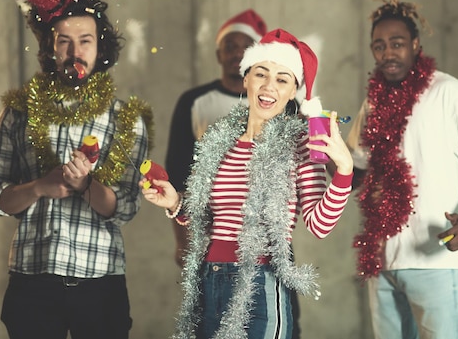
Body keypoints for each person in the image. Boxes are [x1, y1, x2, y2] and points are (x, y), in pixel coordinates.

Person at [143, 28, 354, 339]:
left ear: (293, 90)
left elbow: (319, 225)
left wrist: (345, 168)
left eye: (282, 79)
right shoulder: (219, 138)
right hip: (208, 278)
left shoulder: (301, 143)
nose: (269, 86)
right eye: (261, 74)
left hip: (261, 282)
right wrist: (175, 202)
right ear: (246, 78)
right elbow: (210, 219)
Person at [0, 0, 153, 339]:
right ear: (50, 47)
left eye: (85, 40)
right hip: (32, 281)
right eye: (64, 41)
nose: (75, 51)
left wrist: (84, 185)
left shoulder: (126, 120)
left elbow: (126, 207)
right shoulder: (18, 112)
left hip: (101, 282)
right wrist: (41, 186)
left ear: (100, 47)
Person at [345, 0, 458, 339]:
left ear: (415, 44)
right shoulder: (373, 103)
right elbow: (355, 175)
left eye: (397, 43)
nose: (387, 53)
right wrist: (323, 153)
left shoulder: (449, 92)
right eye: (379, 46)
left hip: (434, 260)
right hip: (381, 260)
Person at [166, 9, 268, 267]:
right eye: (230, 46)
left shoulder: (277, 102)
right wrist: (182, 240)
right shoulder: (194, 102)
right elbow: (178, 175)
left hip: (268, 240)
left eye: (247, 47)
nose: (237, 53)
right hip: (211, 238)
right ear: (218, 54)